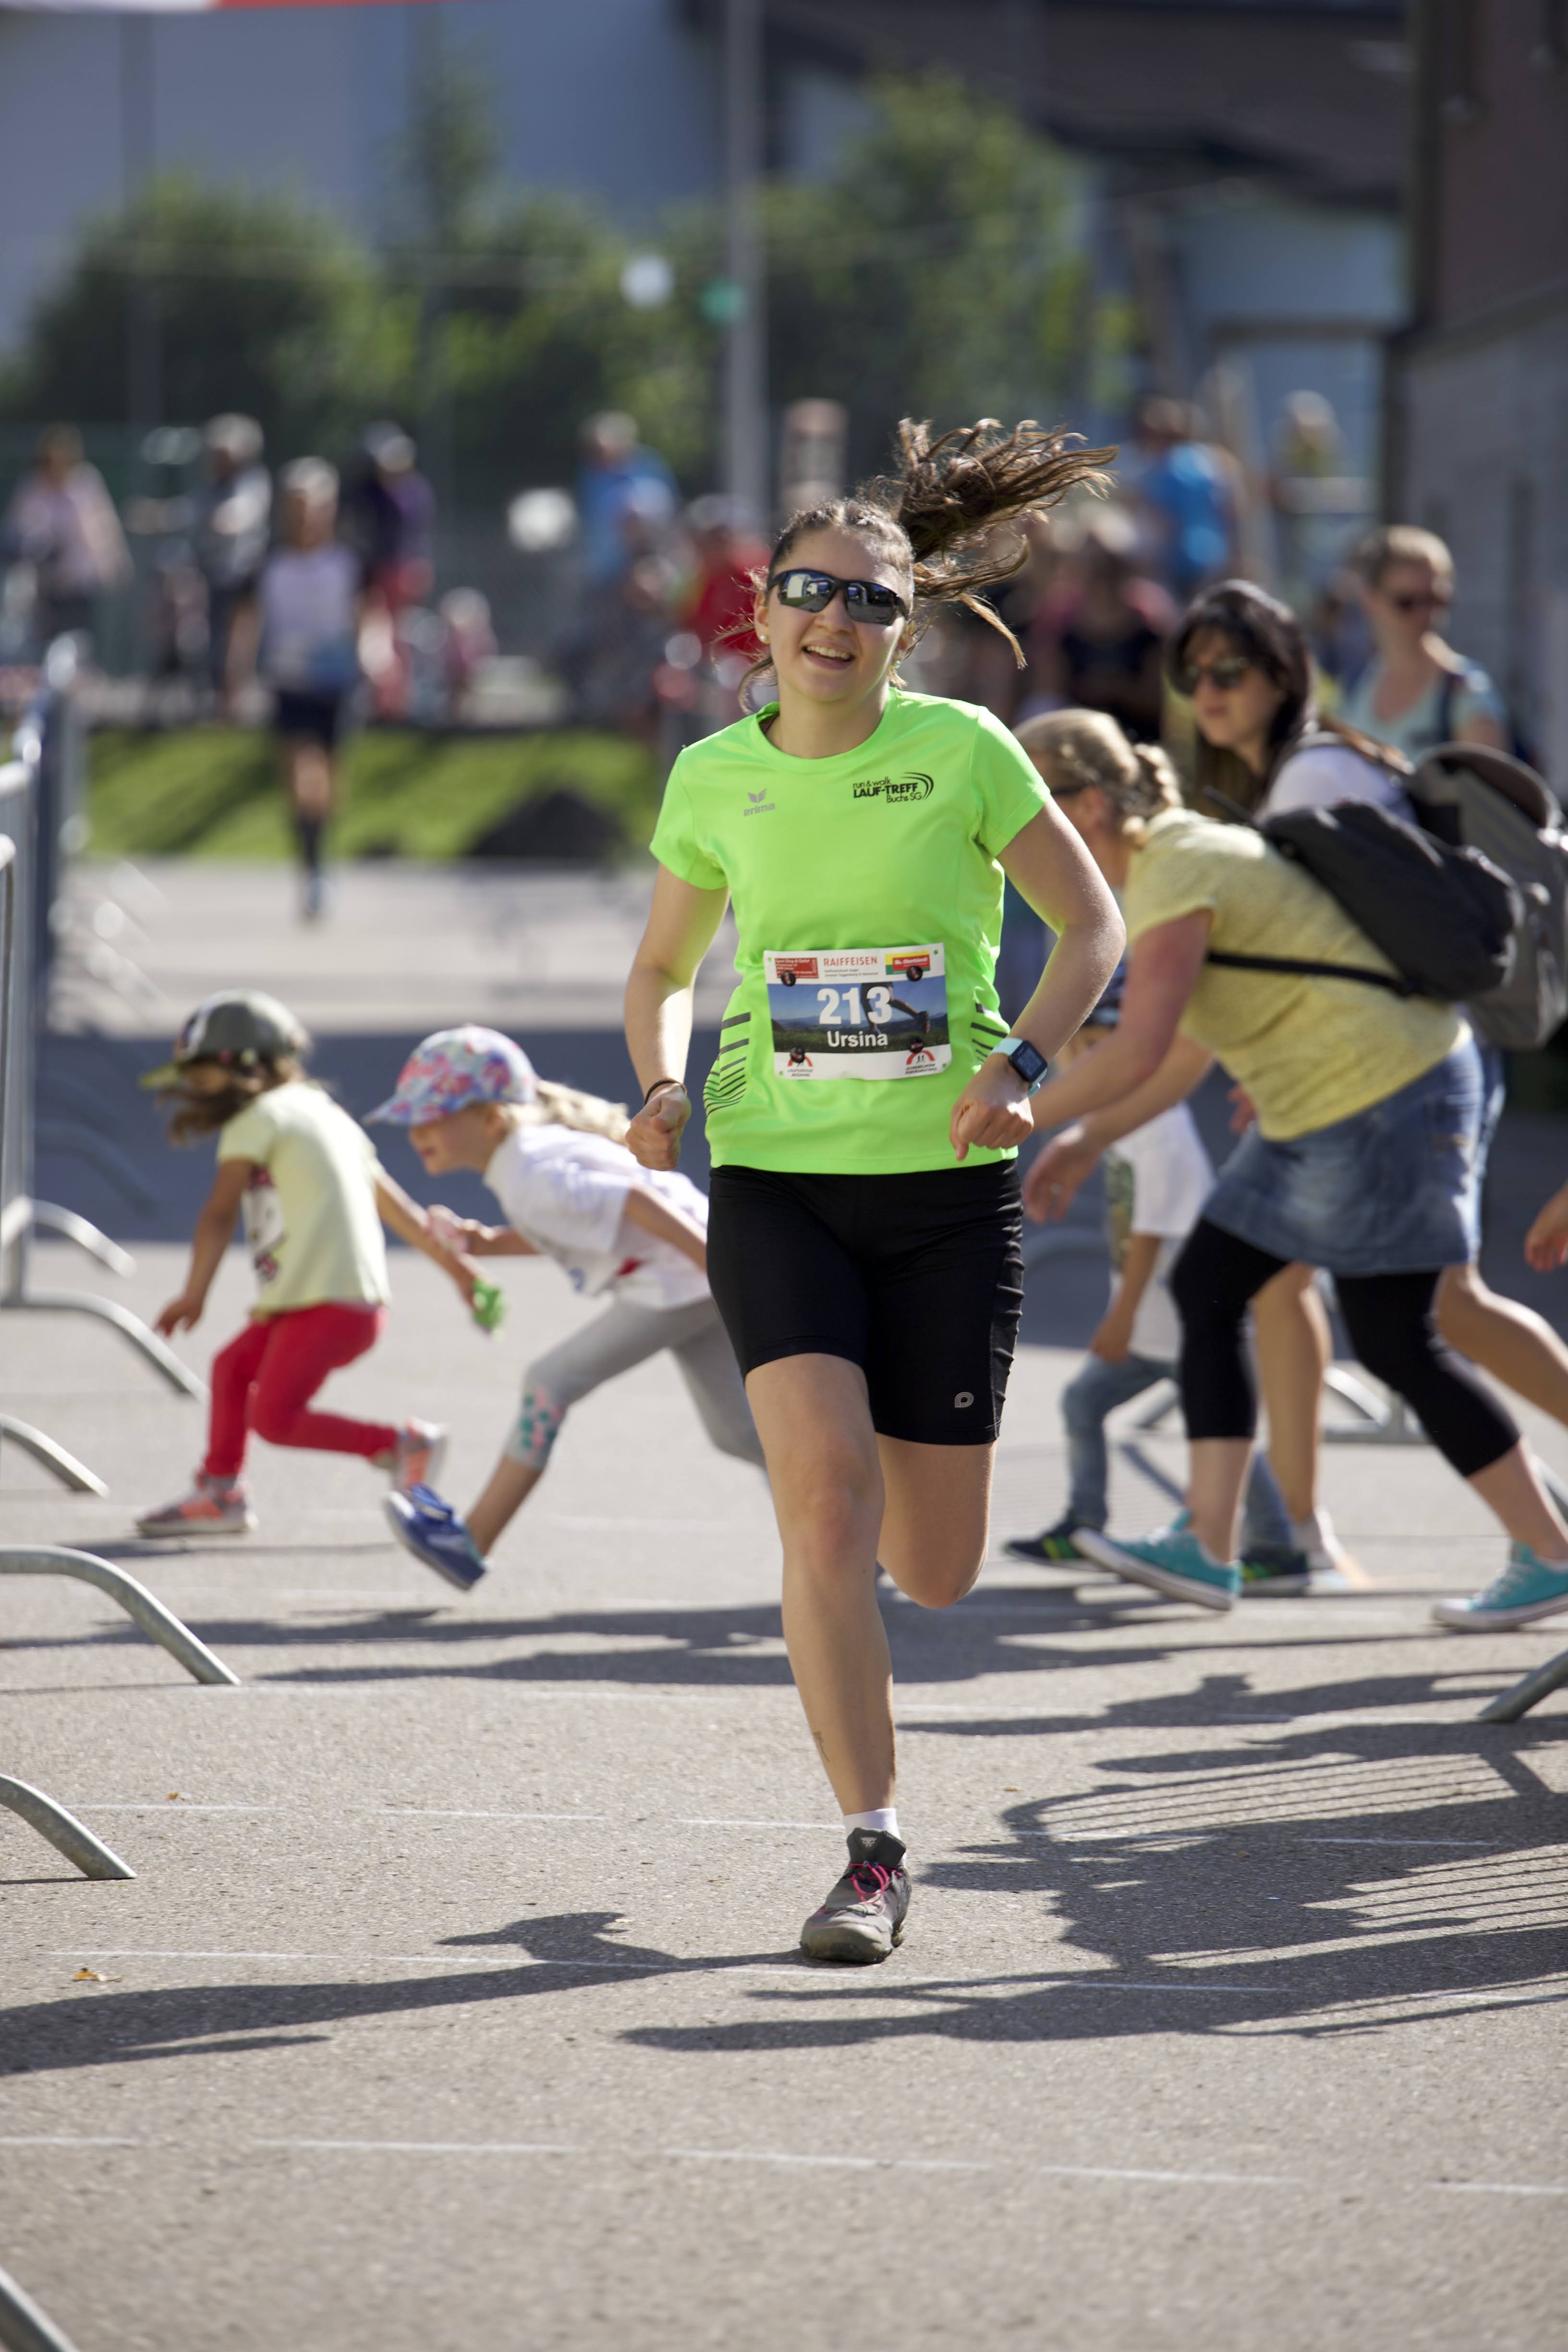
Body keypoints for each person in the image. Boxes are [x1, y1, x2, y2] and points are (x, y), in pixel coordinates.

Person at [622, 417, 1125, 1963]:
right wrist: (654, 1083)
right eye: (809, 593)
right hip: (775, 1176)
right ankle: (872, 1847)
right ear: (756, 614)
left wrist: (1022, 1072)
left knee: (936, 1565)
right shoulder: (712, 779)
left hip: (945, 1193)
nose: (836, 622)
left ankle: (883, 1722)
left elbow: (1091, 930)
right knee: (826, 1507)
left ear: (905, 628)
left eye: (871, 601)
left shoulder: (961, 754)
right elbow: (658, 969)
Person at [1014, 715, 1568, 1618]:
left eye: (1022, 816)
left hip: (1385, 1093)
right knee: (1215, 1288)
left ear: (1083, 807)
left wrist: (1018, 1106)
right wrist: (1077, 1141)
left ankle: (1548, 1550)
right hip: (1337, 1101)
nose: (1009, 845)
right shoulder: (1178, 860)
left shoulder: (1173, 869)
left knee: (1394, 1336)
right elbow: (1188, 1051)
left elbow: (1143, 1046)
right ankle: (1211, 1543)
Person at [1000, 799, 1295, 1591]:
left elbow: (1163, 1225)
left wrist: (1125, 1312)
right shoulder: (1117, 1124)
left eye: (1085, 1046)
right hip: (1164, 1317)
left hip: (1164, 1313)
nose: (1073, 1063)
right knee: (1210, 1415)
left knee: (1105, 1404)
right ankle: (1273, 1540)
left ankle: (1093, 1521)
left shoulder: (1151, 1127)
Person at [364, 1026, 764, 1589]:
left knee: (549, 1381)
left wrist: (719, 1270)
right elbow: (583, 1223)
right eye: (413, 1118)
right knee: (740, 1432)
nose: (417, 1130)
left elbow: (637, 1201)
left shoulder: (528, 1172)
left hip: (681, 1284)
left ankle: (471, 1540)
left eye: (435, 1115)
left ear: (491, 1119)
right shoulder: (527, 1160)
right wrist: (486, 1242)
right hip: (686, 1282)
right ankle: (857, 1519)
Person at [134, 991, 480, 1540]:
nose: (195, 1093)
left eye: (201, 1079)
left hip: (322, 1303)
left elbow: (220, 1212)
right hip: (338, 1304)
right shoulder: (327, 1115)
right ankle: (220, 1491)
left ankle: (400, 1444)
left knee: (274, 1416)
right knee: (231, 1368)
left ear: (241, 1065)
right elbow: (402, 1212)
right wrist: (463, 1275)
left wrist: (194, 1292)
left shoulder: (259, 1117)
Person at [257, 459, 362, 920]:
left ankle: (319, 859)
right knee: (303, 778)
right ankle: (311, 869)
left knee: (326, 787)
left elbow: (366, 613)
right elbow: (247, 621)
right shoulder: (271, 563)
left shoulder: (346, 562)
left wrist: (375, 657)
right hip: (291, 685)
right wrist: (234, 675)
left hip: (335, 685)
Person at [1341, 525, 1509, 764]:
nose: (1425, 615)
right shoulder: (1356, 688)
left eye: (1435, 600)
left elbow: (1487, 799)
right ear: (1370, 601)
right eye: (1406, 603)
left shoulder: (1467, 694)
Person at [0, 425, 130, 650]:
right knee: (50, 640)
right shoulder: (34, 486)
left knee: (83, 638)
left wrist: (117, 560)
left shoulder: (85, 483)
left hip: (83, 576)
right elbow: (18, 526)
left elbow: (106, 525)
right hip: (46, 582)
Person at [345, 423, 435, 721]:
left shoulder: (413, 492)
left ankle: (398, 700)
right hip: (372, 573)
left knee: (400, 636)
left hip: (400, 571)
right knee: (375, 634)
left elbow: (417, 538)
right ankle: (381, 698)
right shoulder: (368, 491)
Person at [193, 414, 271, 711]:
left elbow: (242, 514)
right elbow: (191, 509)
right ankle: (223, 697)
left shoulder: (253, 483)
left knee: (239, 639)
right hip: (216, 573)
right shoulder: (212, 487)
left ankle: (233, 697)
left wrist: (223, 521)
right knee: (216, 636)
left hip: (246, 573)